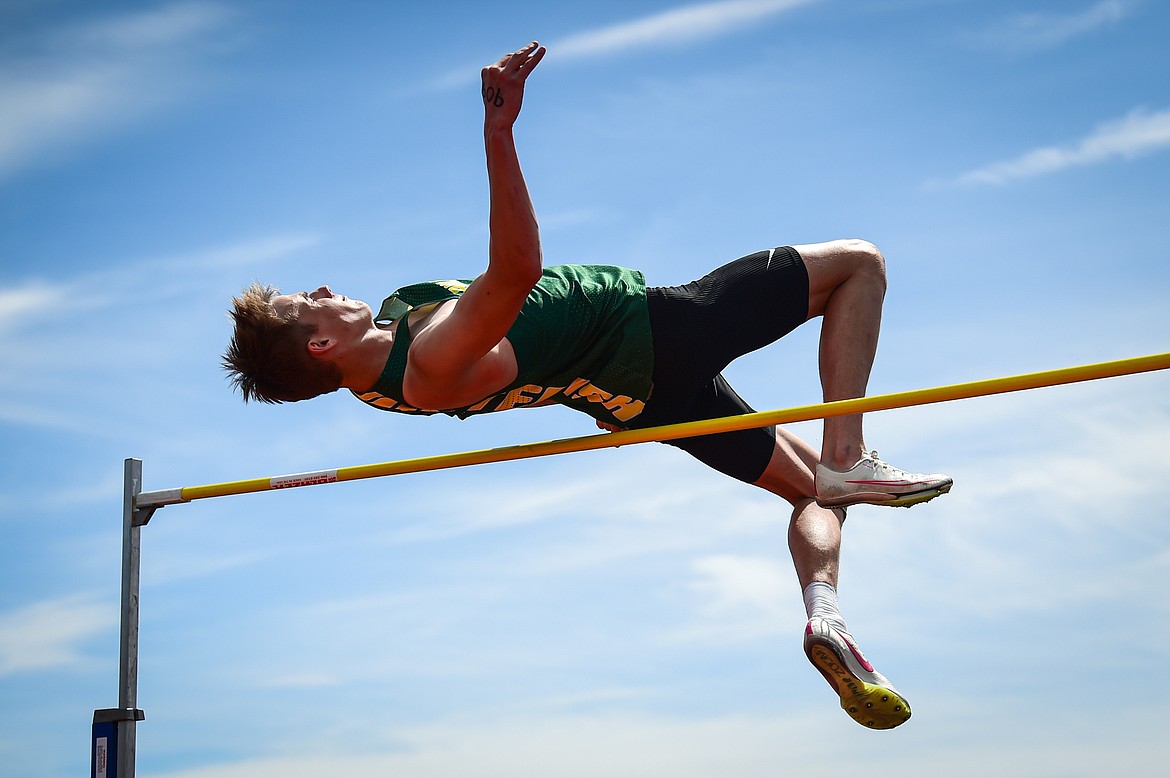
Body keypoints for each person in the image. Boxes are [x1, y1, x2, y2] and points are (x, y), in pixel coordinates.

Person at [223, 42, 952, 730]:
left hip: (639, 399)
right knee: (859, 263)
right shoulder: (428, 362)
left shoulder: (379, 370)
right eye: (301, 303)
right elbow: (516, 273)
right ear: (320, 343)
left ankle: (826, 613)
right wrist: (499, 132)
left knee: (811, 494)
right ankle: (850, 453)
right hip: (656, 334)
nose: (318, 288)